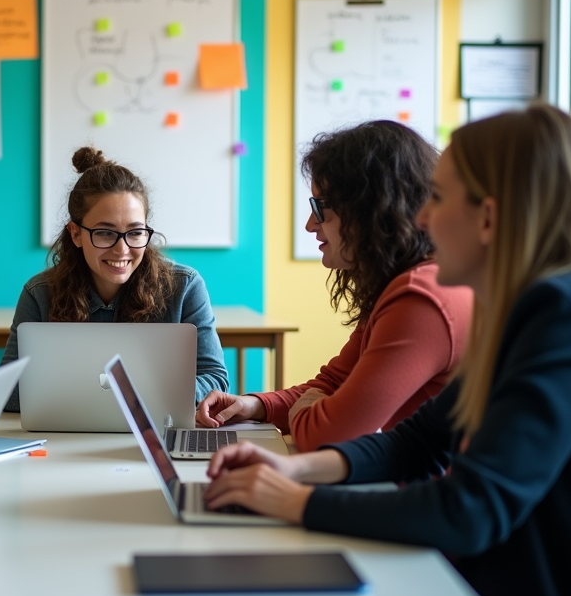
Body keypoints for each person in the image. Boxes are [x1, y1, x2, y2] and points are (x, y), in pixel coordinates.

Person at [204, 105, 571, 596]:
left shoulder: (563, 317)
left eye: (437, 198)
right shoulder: (515, 311)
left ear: (488, 219)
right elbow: (416, 440)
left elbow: (471, 508)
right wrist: (294, 471)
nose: (422, 218)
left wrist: (295, 502)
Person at [196, 121, 472, 452]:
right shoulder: (407, 284)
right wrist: (255, 406)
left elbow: (329, 435)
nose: (310, 225)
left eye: (320, 208)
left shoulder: (419, 298)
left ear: (370, 208)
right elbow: (333, 384)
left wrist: (308, 410)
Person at [0, 146, 228, 411]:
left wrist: (124, 394)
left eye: (135, 232)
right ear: (75, 234)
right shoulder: (40, 293)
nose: (122, 249)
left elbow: (215, 381)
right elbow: (9, 390)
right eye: (105, 233)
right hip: (66, 438)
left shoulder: (185, 287)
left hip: (157, 433)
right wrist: (122, 395)